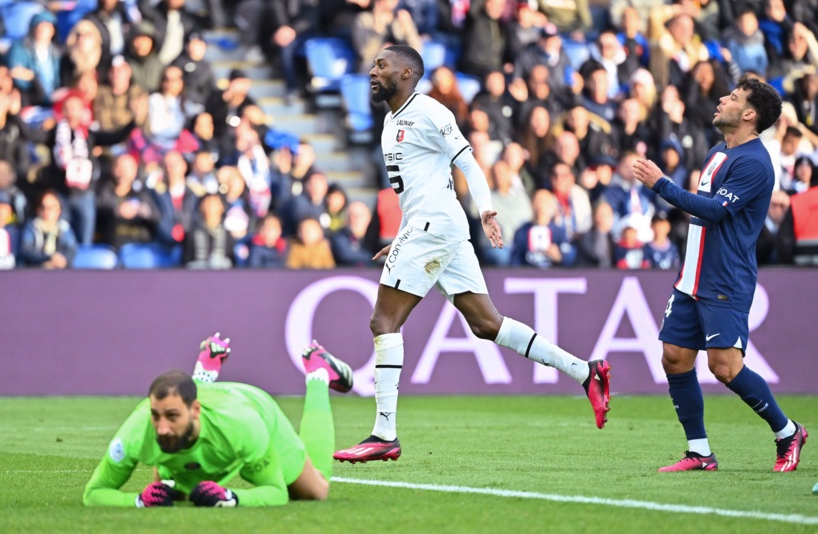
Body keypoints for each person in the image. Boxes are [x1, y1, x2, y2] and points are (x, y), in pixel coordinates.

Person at [333, 45, 611, 464]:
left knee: (383, 321)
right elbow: (420, 189)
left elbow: (468, 162)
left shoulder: (431, 112)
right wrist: (406, 235)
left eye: (381, 65)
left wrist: (485, 210)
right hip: (432, 227)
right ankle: (585, 372)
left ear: (406, 73)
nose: (372, 71)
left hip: (437, 226)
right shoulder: (391, 121)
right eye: (373, 65)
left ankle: (384, 434)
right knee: (487, 324)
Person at [632, 75, 808, 472]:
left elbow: (714, 210)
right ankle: (699, 452)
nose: (722, 100)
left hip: (725, 279)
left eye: (733, 97)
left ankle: (787, 432)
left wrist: (661, 184)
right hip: (692, 276)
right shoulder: (718, 151)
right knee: (675, 357)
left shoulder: (755, 163)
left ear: (748, 114)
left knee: (725, 367)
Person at [83, 333, 354, 507]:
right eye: (156, 416)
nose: (161, 428)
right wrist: (137, 501)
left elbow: (276, 492)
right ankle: (204, 372)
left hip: (254, 407)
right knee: (177, 490)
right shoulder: (137, 431)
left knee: (314, 491)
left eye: (172, 416)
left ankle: (318, 371)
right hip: (204, 410)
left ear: (195, 410)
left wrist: (232, 498)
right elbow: (93, 492)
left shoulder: (243, 427)